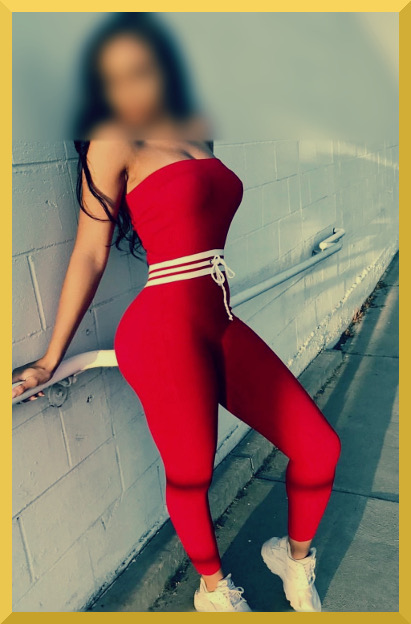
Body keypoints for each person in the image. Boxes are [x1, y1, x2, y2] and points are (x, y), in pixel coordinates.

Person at [12, 13, 341, 613]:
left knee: (319, 447)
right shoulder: (115, 139)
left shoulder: (197, 130)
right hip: (162, 332)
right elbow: (90, 252)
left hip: (220, 323)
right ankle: (214, 591)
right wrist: (50, 358)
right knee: (191, 475)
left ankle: (293, 559)